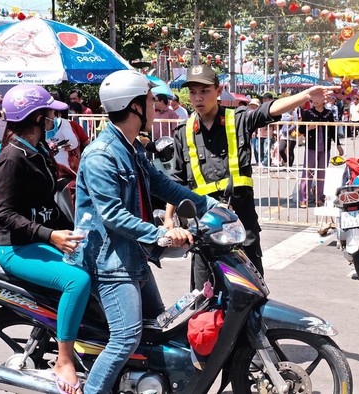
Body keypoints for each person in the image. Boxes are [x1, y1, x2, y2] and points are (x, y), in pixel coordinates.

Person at [74, 70, 217, 394]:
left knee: (160, 329)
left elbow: (162, 184)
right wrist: (160, 234)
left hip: (133, 257)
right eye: (151, 100)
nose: (156, 106)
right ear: (135, 107)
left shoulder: (130, 149)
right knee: (127, 337)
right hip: (109, 264)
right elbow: (112, 214)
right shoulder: (101, 155)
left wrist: (210, 206)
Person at [166, 65, 339, 291]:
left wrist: (305, 96)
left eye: (205, 91)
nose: (198, 98)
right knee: (203, 297)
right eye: (193, 92)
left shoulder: (237, 119)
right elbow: (176, 180)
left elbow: (268, 111)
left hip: (241, 223)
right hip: (204, 228)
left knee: (250, 293)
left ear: (218, 91)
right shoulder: (183, 131)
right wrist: (169, 219)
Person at [0, 84, 90, 394]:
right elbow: (6, 215)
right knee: (77, 281)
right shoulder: (12, 157)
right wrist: (51, 235)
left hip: (42, 242)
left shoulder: (40, 151)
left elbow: (51, 202)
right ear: (36, 117)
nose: (53, 116)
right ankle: (64, 360)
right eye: (49, 111)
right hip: (16, 249)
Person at [297, 96, 344, 208]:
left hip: (325, 147)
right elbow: (301, 130)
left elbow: (333, 130)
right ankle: (303, 198)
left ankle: (319, 197)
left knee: (322, 173)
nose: (315, 100)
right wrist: (309, 127)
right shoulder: (308, 113)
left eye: (318, 98)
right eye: (313, 99)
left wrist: (338, 145)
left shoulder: (328, 113)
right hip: (311, 146)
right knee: (308, 172)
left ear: (324, 100)